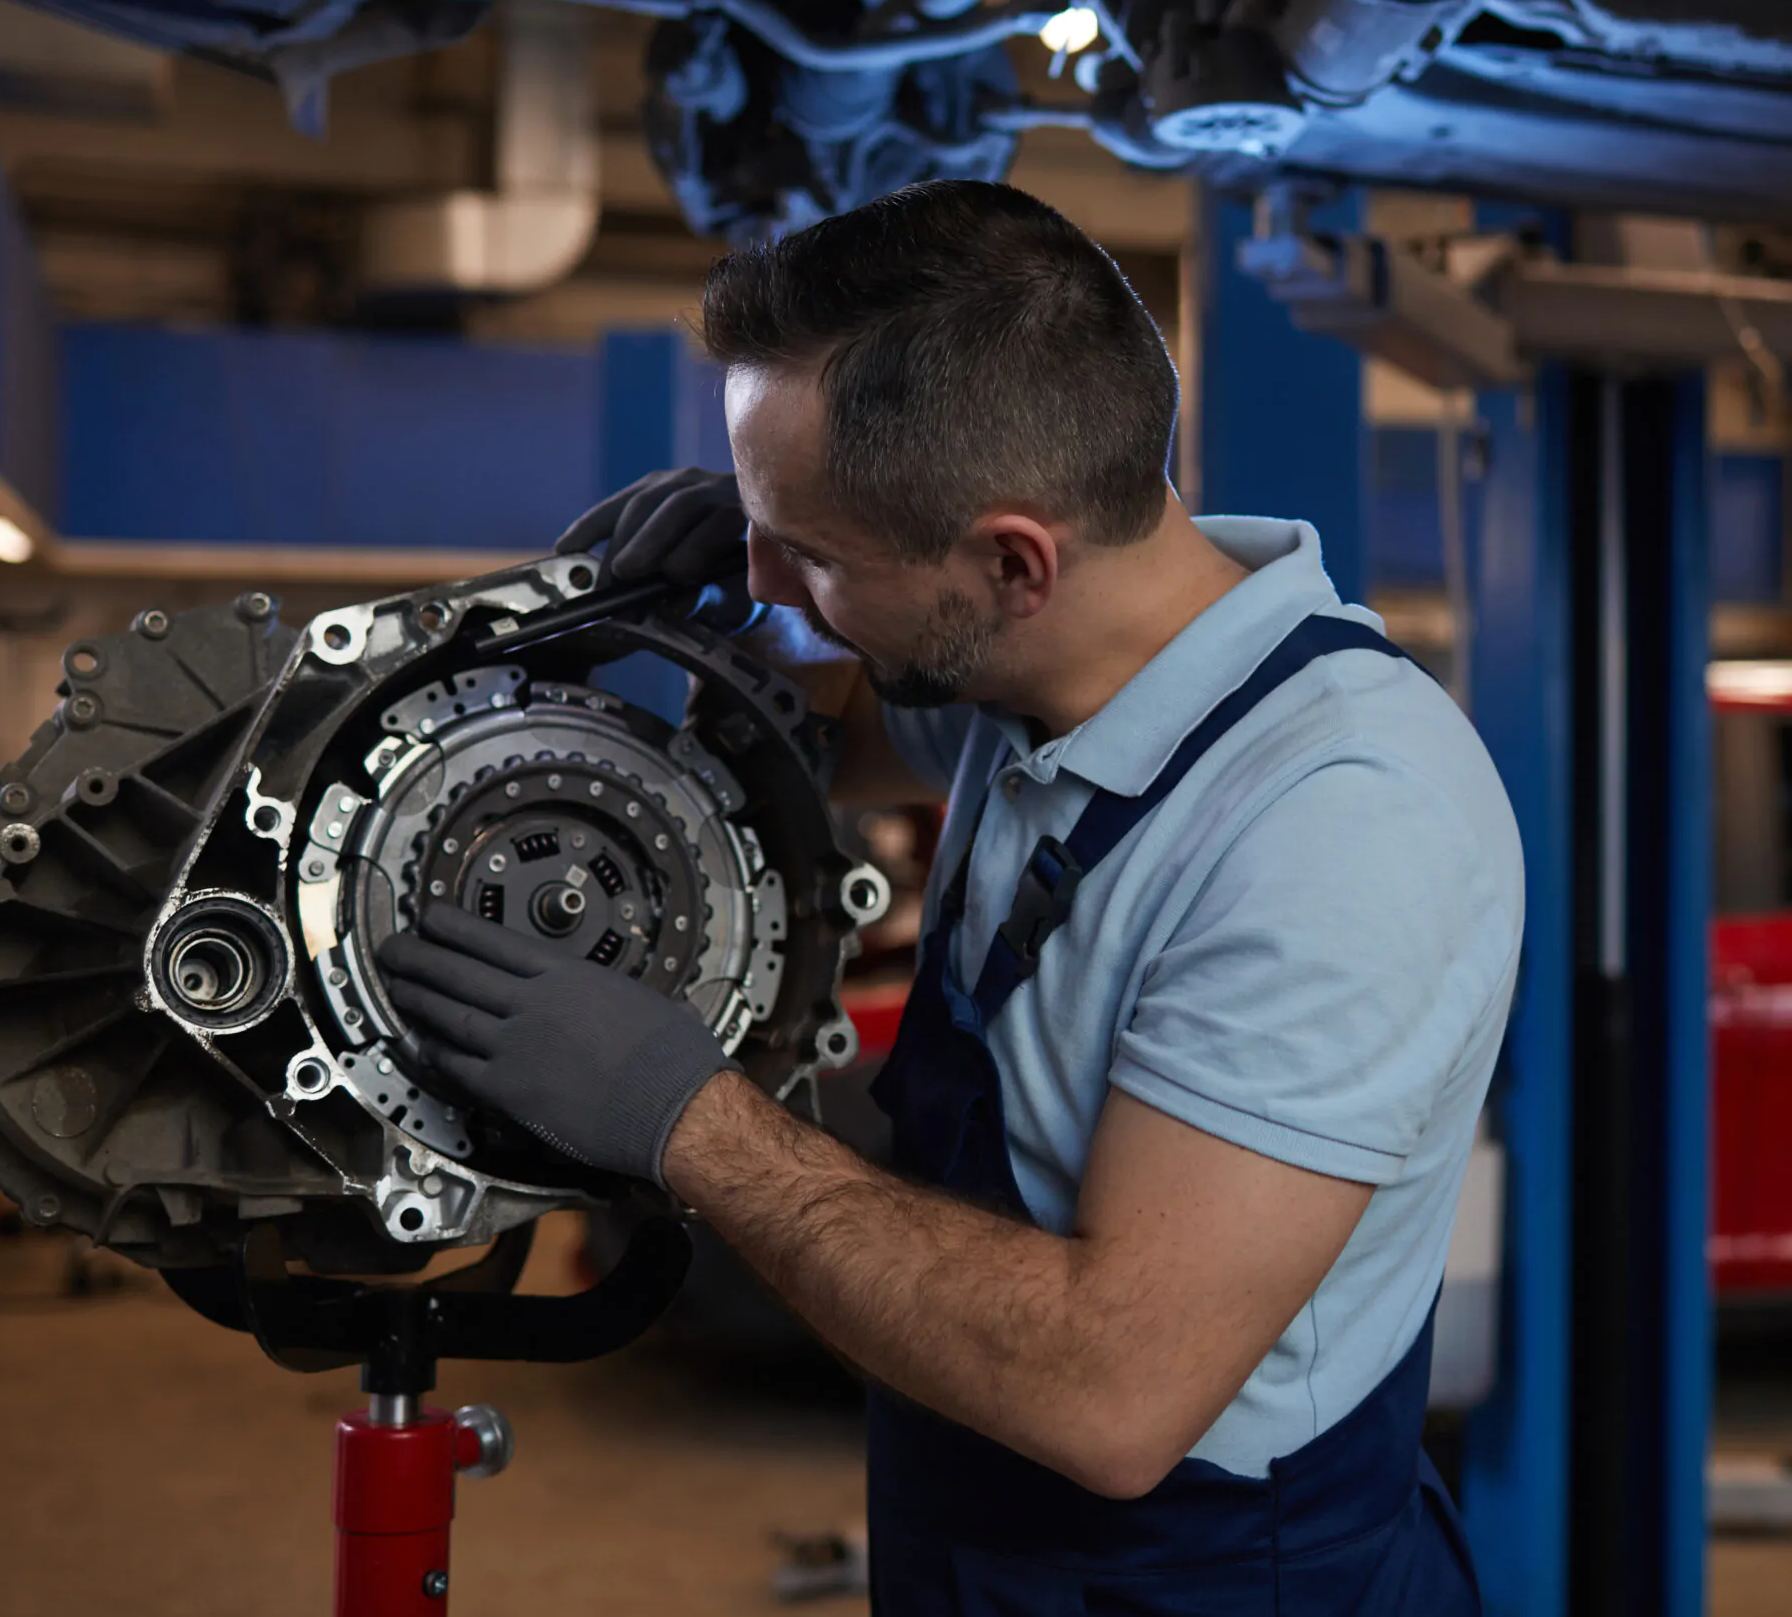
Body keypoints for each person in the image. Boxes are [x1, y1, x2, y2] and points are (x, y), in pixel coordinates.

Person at [378, 179, 1523, 1616]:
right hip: (982, 1536)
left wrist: (690, 1120)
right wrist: (638, 625)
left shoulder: (1339, 827)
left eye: (808, 555)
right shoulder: (1032, 672)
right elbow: (794, 739)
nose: (762, 575)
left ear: (1009, 560)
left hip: (1211, 1577)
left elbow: (1116, 1389)